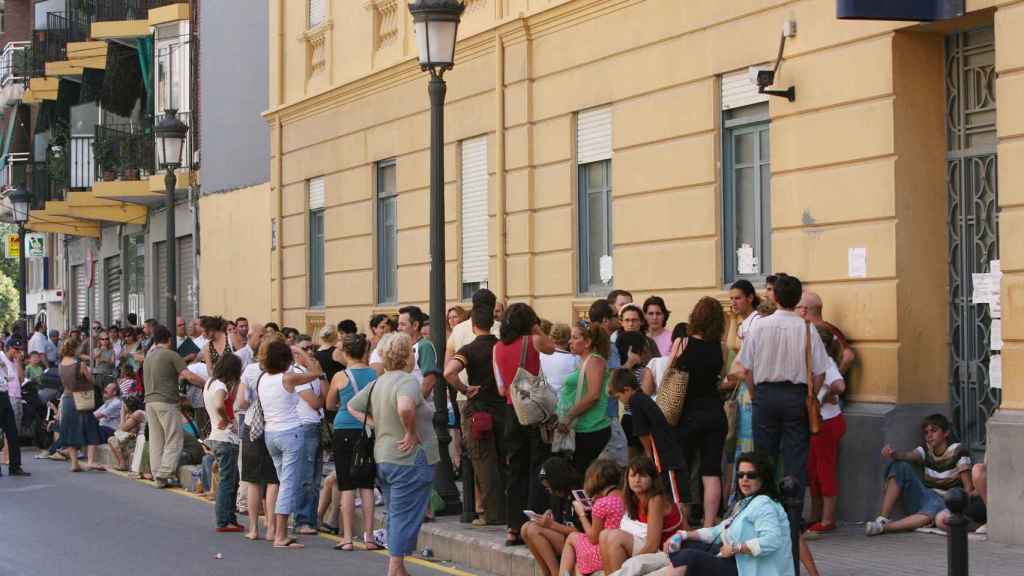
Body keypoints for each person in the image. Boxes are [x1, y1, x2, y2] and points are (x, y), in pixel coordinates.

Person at [730, 275, 828, 522]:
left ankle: (764, 511)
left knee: (764, 456)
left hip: (765, 395)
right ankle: (792, 514)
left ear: (775, 297)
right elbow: (820, 371)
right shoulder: (807, 328)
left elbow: (744, 368)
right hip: (796, 396)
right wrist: (810, 396)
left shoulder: (759, 327)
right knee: (795, 456)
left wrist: (754, 394)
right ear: (796, 300)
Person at [348, 332, 438, 576]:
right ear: (407, 356)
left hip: (384, 456)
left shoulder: (379, 382)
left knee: (395, 512)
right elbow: (405, 407)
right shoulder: (406, 381)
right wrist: (410, 431)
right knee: (405, 515)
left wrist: (377, 423)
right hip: (409, 457)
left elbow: (352, 406)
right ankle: (395, 568)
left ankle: (398, 568)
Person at [661, 451, 795, 576]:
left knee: (688, 557)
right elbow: (717, 531)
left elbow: (772, 541)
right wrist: (683, 534)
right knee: (686, 545)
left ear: (763, 478)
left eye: (751, 475)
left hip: (753, 570)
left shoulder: (764, 504)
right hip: (741, 562)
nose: (744, 479)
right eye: (740, 475)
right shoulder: (746, 502)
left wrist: (735, 548)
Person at [493, 302, 556, 546]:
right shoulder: (533, 341)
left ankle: (513, 527)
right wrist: (537, 328)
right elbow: (551, 347)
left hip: (511, 411)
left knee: (515, 470)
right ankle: (533, 522)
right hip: (534, 413)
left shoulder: (497, 348)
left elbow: (501, 387)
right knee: (537, 467)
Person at [257, 340, 323, 548]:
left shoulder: (263, 379)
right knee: (288, 485)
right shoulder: (288, 378)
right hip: (290, 433)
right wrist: (302, 353)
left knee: (280, 482)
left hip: (270, 434)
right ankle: (281, 535)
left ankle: (275, 530)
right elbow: (317, 373)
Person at [865, 413, 976, 536]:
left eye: (934, 431)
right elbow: (909, 456)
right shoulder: (926, 449)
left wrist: (963, 511)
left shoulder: (958, 451)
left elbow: (968, 488)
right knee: (900, 466)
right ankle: (882, 518)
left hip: (946, 500)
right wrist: (893, 454)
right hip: (926, 496)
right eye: (926, 432)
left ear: (946, 433)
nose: (929, 435)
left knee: (935, 505)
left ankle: (884, 528)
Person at [444, 304, 505, 526]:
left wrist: (464, 388)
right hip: (503, 408)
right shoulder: (501, 346)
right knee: (503, 458)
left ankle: (491, 512)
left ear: (473, 324)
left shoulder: (469, 349)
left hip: (479, 410)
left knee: (483, 461)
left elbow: (448, 372)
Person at [675, 297, 729, 528]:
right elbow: (720, 379)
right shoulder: (722, 347)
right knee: (711, 471)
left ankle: (683, 523)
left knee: (683, 471)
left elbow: (670, 374)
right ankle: (709, 525)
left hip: (687, 414)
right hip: (715, 413)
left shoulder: (683, 343)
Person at [608, 368, 688, 517]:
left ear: (626, 390)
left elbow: (642, 434)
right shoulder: (643, 398)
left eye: (619, 397)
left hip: (665, 455)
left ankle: (682, 526)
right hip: (668, 452)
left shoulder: (635, 402)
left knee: (676, 496)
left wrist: (649, 455)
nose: (621, 401)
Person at [326, 333, 380, 551]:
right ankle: (368, 538)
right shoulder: (375, 373)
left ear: (345, 353)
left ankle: (347, 538)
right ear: (365, 351)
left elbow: (329, 404)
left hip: (344, 428)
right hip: (367, 428)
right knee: (367, 484)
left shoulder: (340, 376)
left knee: (347, 484)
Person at [143, 325, 206, 488]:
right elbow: (188, 376)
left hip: (149, 401)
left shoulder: (148, 357)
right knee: (174, 438)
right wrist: (207, 384)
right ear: (169, 340)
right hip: (167, 401)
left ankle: (158, 475)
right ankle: (165, 473)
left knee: (157, 439)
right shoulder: (171, 355)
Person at [599, 455, 684, 574]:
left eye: (642, 475)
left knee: (615, 537)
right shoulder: (634, 499)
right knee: (604, 535)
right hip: (653, 550)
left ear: (652, 479)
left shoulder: (656, 500)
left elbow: (652, 545)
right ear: (627, 478)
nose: (637, 480)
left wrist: (627, 564)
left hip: (669, 553)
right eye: (633, 475)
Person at [236, 334, 281, 542]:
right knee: (273, 480)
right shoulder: (283, 372)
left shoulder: (251, 370)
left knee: (253, 480)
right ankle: (272, 527)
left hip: (252, 426)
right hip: (275, 426)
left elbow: (241, 402)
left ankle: (254, 528)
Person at [805, 327, 847, 537]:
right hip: (819, 423)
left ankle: (827, 520)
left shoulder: (826, 363)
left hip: (827, 423)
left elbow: (839, 385)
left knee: (824, 470)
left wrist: (824, 396)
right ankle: (816, 515)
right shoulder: (816, 362)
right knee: (813, 471)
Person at [559, 321, 612, 476]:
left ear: (587, 342)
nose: (570, 341)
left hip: (591, 427)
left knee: (581, 475)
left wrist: (568, 417)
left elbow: (594, 395)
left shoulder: (594, 361)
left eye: (575, 338)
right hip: (582, 427)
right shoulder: (584, 360)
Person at [561, 460, 625, 576]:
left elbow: (593, 539)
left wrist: (581, 514)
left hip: (604, 553)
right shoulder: (625, 496)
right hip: (621, 549)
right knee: (576, 563)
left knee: (571, 538)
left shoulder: (602, 504)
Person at [521, 456, 583, 576]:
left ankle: (555, 573)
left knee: (533, 530)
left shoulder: (577, 493)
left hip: (578, 543)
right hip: (565, 539)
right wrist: (550, 515)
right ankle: (546, 572)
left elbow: (580, 531)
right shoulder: (557, 495)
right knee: (525, 528)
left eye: (549, 486)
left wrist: (550, 524)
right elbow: (559, 519)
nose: (548, 490)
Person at [204, 352, 244, 533]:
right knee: (228, 481)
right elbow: (220, 405)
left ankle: (230, 518)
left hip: (215, 436)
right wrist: (227, 419)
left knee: (231, 479)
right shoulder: (220, 386)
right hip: (225, 437)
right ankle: (223, 520)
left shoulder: (210, 383)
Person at [58, 338, 105, 473]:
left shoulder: (61, 364)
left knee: (71, 430)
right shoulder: (80, 364)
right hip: (81, 398)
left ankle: (74, 463)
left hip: (67, 398)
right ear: (76, 349)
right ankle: (90, 461)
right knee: (91, 427)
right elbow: (91, 379)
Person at [797, 291, 855, 374]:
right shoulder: (832, 328)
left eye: (796, 307)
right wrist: (836, 377)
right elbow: (849, 356)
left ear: (803, 310)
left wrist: (831, 379)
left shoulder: (808, 331)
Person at [0, 342, 28, 476]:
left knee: (12, 432)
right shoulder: (1, 357)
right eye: (15, 349)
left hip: (5, 395)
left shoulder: (6, 360)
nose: (17, 352)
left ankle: (15, 466)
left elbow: (14, 377)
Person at [539, 323, 576, 396]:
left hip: (548, 399)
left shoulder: (541, 355)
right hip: (568, 401)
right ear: (568, 339)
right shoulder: (575, 359)